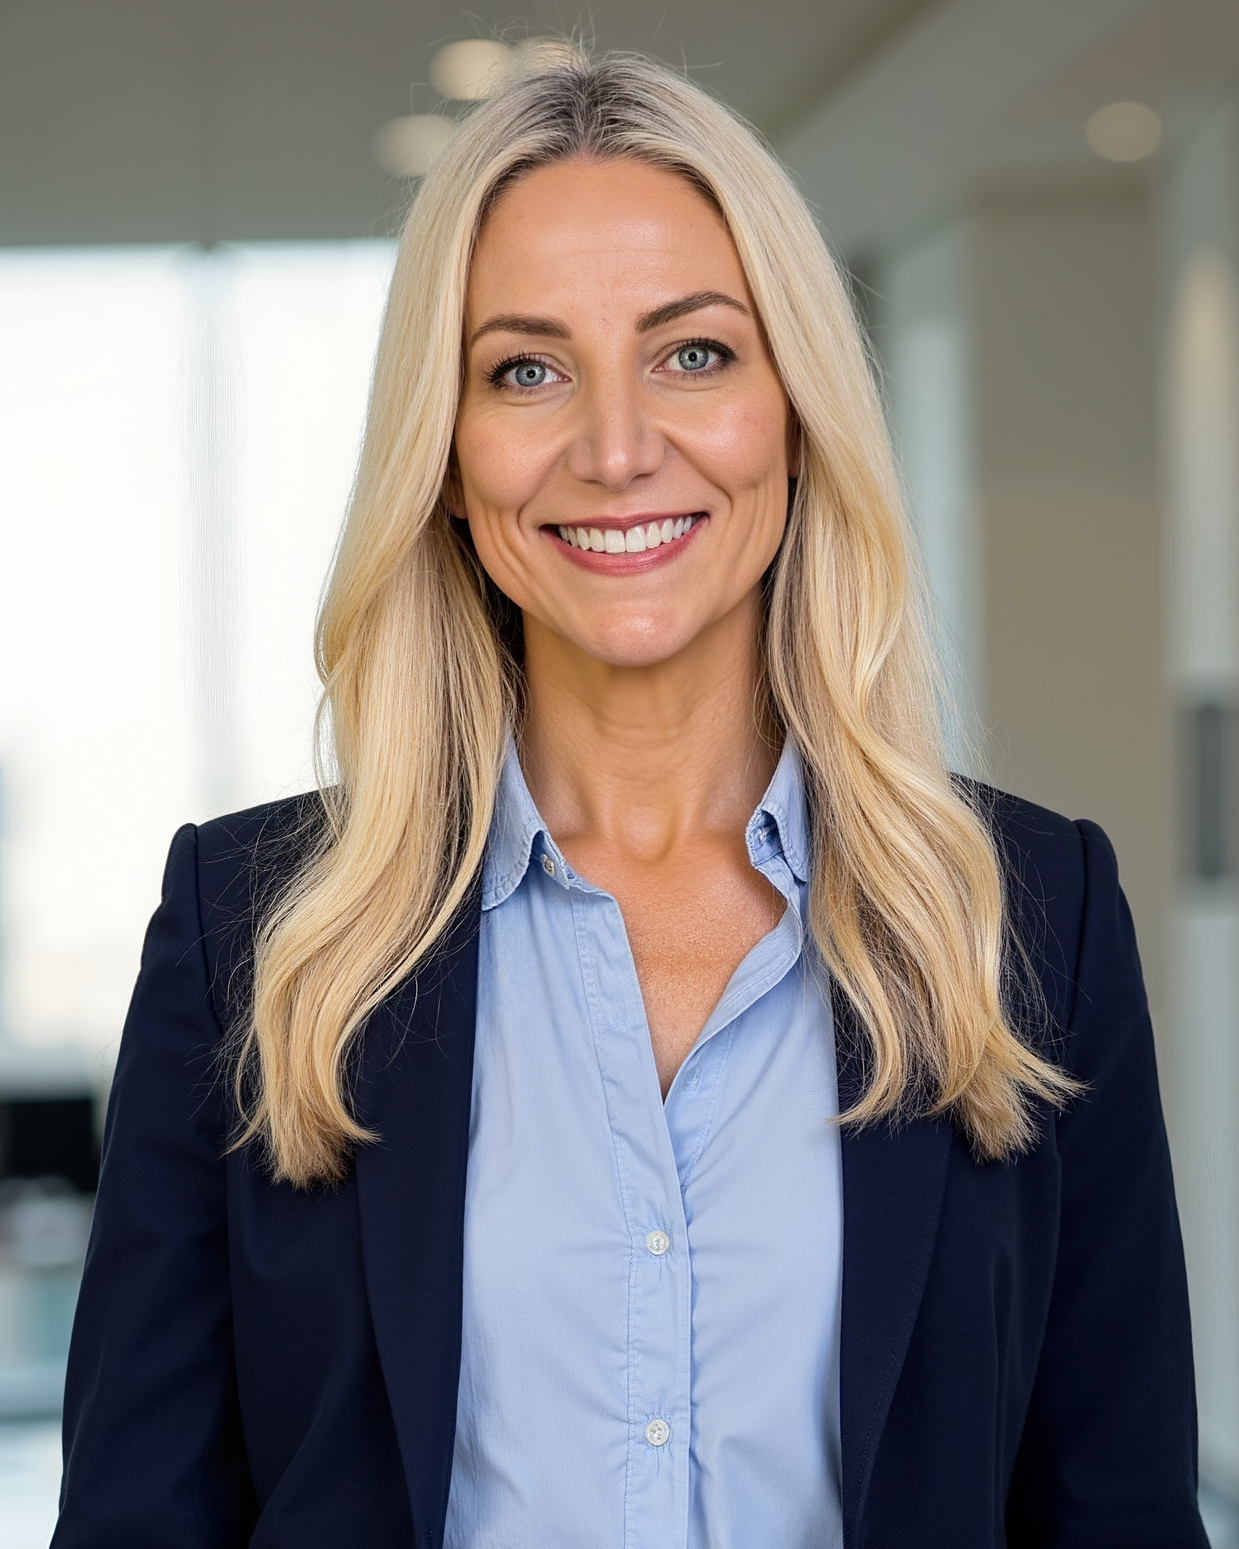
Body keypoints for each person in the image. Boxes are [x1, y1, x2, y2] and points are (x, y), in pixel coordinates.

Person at [53, 51, 1207, 1549]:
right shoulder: (253, 935)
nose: (614, 450)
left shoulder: (1028, 917)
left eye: (694, 354)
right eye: (526, 371)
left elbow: (1117, 1511)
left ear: (794, 412)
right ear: (445, 457)